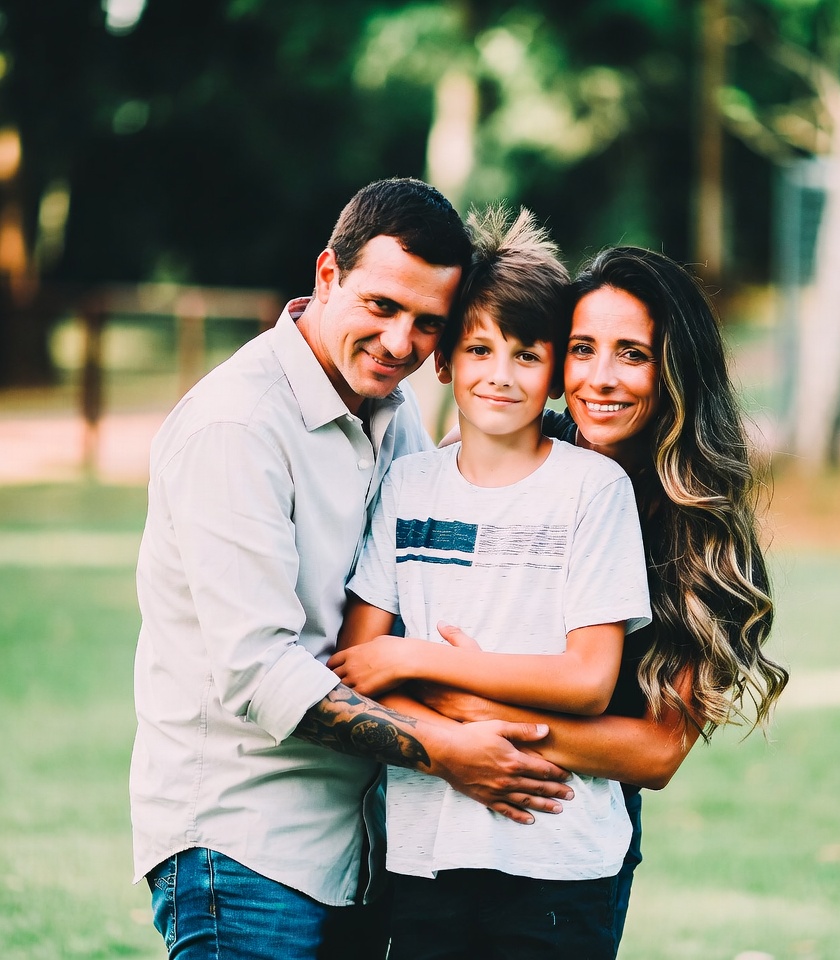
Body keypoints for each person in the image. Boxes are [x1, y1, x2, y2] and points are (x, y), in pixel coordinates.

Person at [129, 178, 575, 960]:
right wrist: (445, 747)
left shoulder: (390, 415)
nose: (402, 343)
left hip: (362, 852)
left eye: (428, 323)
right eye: (382, 306)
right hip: (243, 848)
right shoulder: (238, 426)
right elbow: (260, 671)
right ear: (327, 276)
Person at [410, 245, 790, 951]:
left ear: (675, 369)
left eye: (633, 355)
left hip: (570, 836)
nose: (601, 379)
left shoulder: (697, 531)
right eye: (583, 349)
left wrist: (478, 719)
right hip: (439, 824)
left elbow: (655, 754)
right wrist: (454, 741)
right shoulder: (510, 452)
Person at [329, 205, 652, 960]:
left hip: (559, 853)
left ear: (555, 373)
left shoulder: (594, 490)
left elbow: (590, 680)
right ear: (442, 361)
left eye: (527, 354)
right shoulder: (408, 486)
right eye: (478, 349)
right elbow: (357, 665)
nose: (500, 374)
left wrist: (421, 658)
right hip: (423, 850)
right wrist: (442, 720)